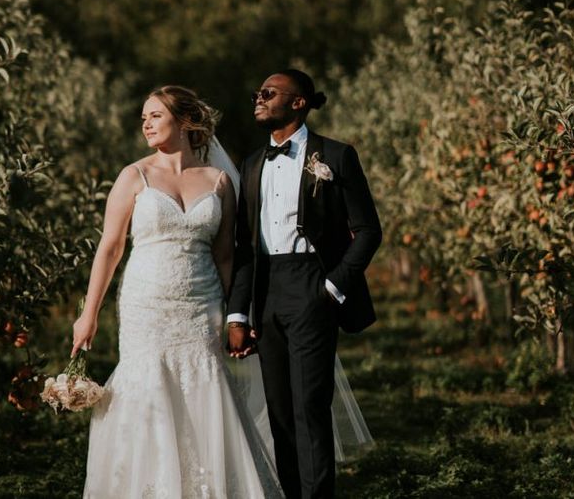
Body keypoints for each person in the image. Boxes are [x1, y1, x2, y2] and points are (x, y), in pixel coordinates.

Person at [72, 86, 284, 498]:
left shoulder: (219, 180)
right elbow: (111, 247)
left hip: (202, 304)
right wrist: (89, 313)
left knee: (203, 387)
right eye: (144, 118)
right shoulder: (134, 175)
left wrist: (239, 314)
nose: (146, 124)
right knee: (149, 386)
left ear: (185, 121)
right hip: (145, 303)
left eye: (155, 115)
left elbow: (226, 255)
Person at [227, 69, 382, 499]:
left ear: (298, 102)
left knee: (310, 409)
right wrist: (238, 312)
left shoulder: (336, 155)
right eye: (257, 92)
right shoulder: (251, 164)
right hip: (267, 290)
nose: (258, 98)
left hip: (313, 284)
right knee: (279, 412)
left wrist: (332, 289)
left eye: (268, 93)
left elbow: (369, 230)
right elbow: (244, 246)